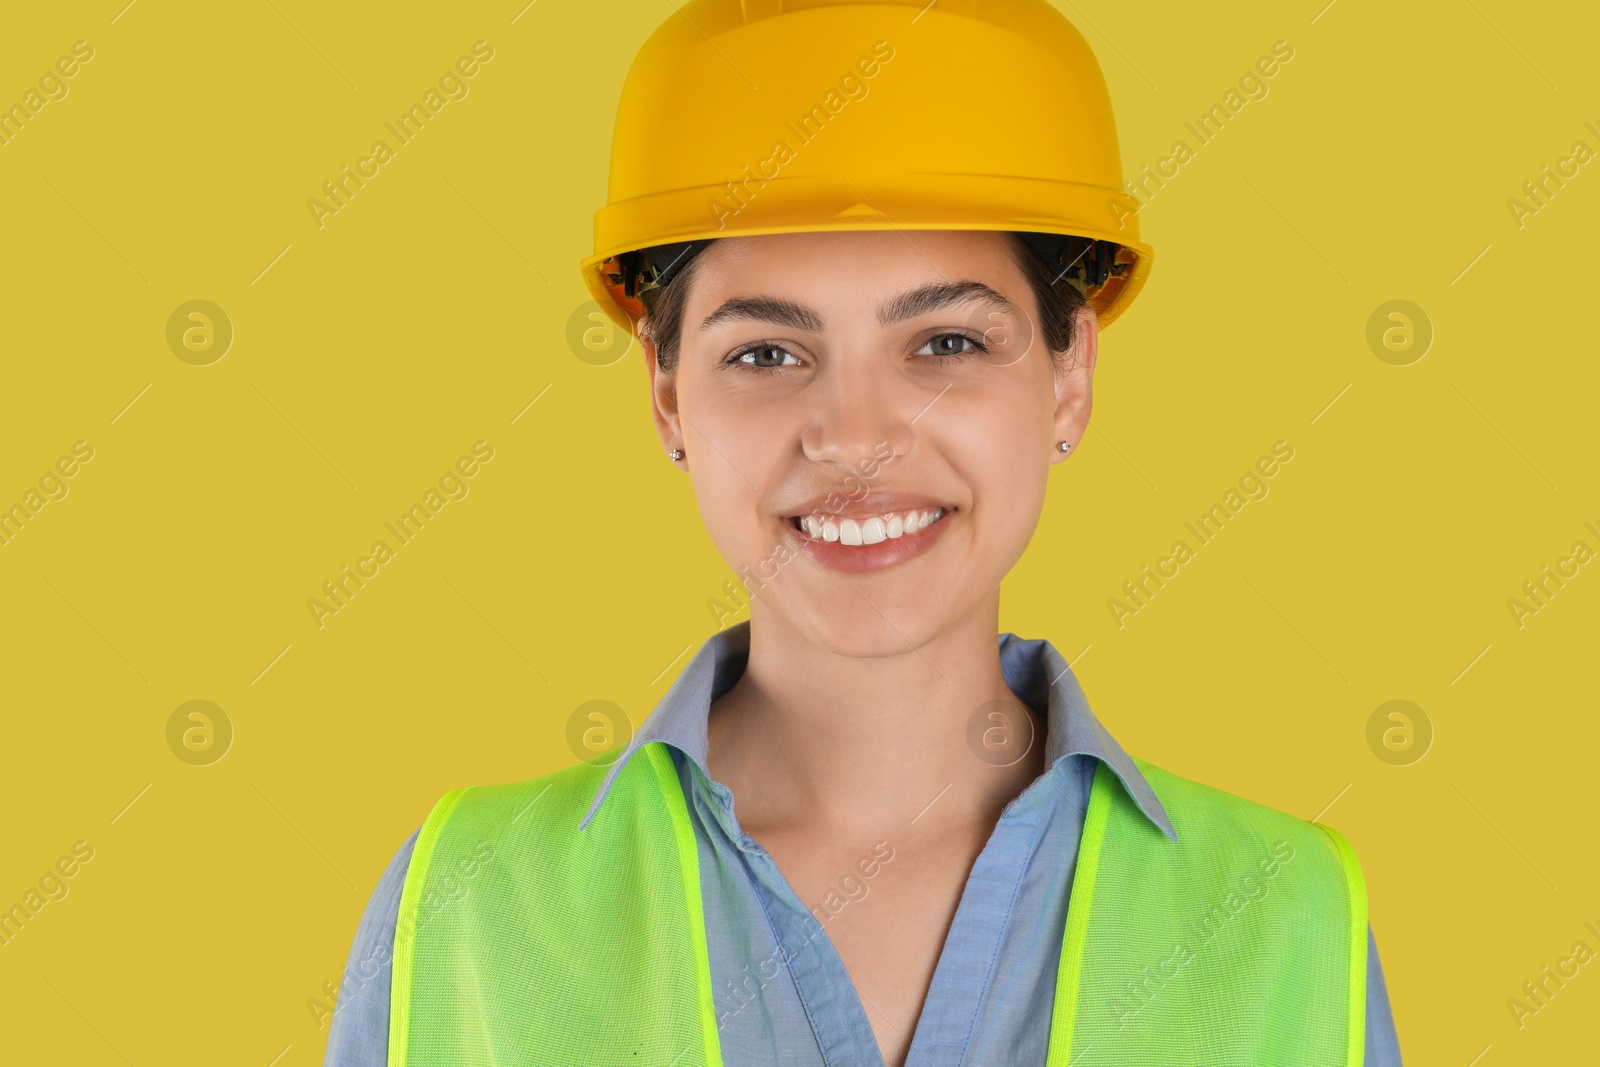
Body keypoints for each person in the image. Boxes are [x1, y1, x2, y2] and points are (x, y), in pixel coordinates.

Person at [324, 2, 1402, 1065]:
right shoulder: (470, 910)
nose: (855, 439)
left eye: (944, 340)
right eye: (765, 354)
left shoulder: (1280, 919)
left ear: (1068, 377)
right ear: (665, 393)